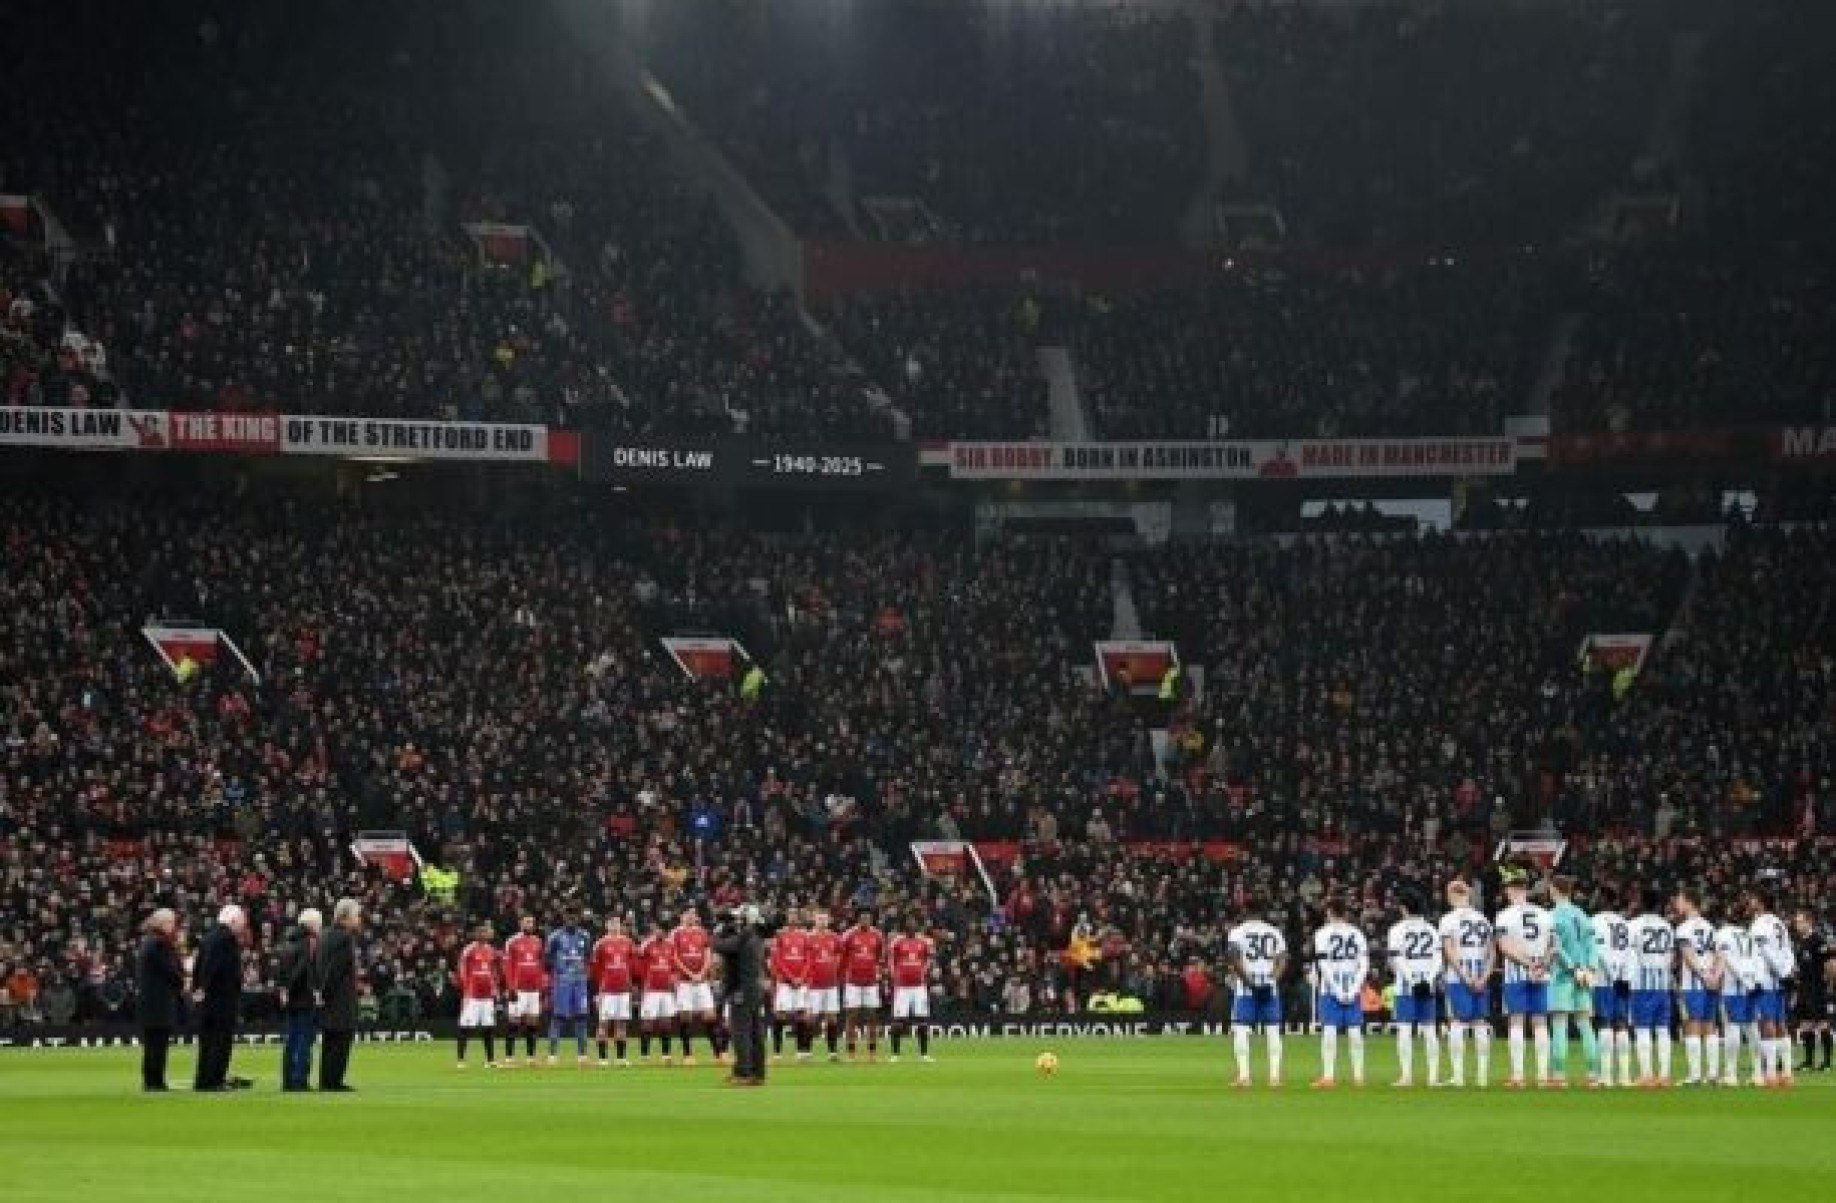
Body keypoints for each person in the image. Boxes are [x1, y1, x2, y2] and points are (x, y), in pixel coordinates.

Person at [1493, 867, 1553, 1088]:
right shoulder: (1545, 914)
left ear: (1513, 889)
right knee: (1540, 1022)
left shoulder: (1504, 915)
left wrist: (1527, 964)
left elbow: (1503, 946)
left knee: (1516, 1021)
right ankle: (1542, 1076)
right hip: (1541, 972)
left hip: (1516, 973)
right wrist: (1541, 964)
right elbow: (1554, 945)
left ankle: (1518, 1076)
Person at [1438, 879, 1495, 1088]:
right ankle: (1482, 1077)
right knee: (1480, 1024)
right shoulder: (1483, 920)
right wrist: (1484, 976)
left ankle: (1458, 1076)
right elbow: (1492, 952)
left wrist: (1464, 975)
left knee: (1457, 1023)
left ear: (1452, 895)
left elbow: (1449, 950)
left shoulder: (1448, 920)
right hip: (1480, 974)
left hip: (1458, 977)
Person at [1545, 876, 1599, 1088]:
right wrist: (1589, 969)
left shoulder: (1553, 916)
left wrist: (1573, 968)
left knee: (1559, 1024)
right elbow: (1592, 945)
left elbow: (1557, 948)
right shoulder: (1582, 914)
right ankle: (1593, 1075)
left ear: (1554, 890)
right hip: (1585, 976)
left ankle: (1558, 1075)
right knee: (1585, 1025)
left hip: (1563, 976)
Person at [1225, 907, 1288, 1088]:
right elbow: (1282, 960)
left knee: (1241, 1029)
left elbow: (1234, 959)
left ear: (1245, 913)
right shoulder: (1274, 931)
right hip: (1269, 986)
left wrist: (1246, 981)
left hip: (1246, 987)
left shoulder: (1237, 932)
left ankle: (1244, 1076)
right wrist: (1272, 980)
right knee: (1273, 1030)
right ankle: (1275, 1077)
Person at [1311, 893, 1368, 1089]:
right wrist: (1353, 989)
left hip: (1330, 988)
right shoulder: (1357, 933)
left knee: (1329, 1029)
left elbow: (1323, 965)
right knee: (1354, 1031)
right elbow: (1364, 965)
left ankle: (1328, 1076)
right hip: (1352, 986)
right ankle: (1358, 1076)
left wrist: (1335, 989)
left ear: (1329, 912)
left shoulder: (1321, 934)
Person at [1385, 892, 1442, 1089]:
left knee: (1404, 1029)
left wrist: (1412, 980)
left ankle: (1406, 1076)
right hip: (1428, 985)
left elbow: (1397, 959)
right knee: (1429, 1030)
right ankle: (1433, 1077)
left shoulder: (1397, 930)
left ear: (1404, 908)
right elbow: (1438, 959)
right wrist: (1427, 979)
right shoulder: (1432, 930)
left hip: (1405, 987)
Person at [713, 905, 774, 1085]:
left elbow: (720, 946)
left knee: (741, 1034)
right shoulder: (757, 936)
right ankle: (758, 1073)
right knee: (755, 1033)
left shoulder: (745, 936)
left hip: (742, 991)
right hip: (755, 991)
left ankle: (743, 1072)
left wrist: (717, 931)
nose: (737, 920)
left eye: (740, 918)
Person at [192, 904, 248, 1092]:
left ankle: (203, 1079)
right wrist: (206, 987)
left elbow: (199, 966)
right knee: (220, 1041)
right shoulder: (226, 938)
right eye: (241, 922)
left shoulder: (208, 937)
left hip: (209, 1000)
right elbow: (214, 967)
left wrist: (199, 988)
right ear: (232, 920)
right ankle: (215, 1080)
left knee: (207, 1042)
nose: (243, 926)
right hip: (222, 998)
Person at [1626, 886, 1675, 1087]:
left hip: (1641, 984)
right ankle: (1664, 1075)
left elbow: (1629, 954)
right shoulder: (1667, 926)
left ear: (1641, 902)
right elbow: (1671, 956)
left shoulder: (1634, 925)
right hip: (1663, 983)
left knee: (1643, 1029)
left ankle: (1646, 1075)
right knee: (1663, 1029)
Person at [1746, 889, 1796, 1088]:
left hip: (1766, 979)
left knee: (1767, 1023)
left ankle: (1771, 1074)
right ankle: (1787, 1073)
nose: (1750, 902)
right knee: (1780, 1022)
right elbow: (1788, 951)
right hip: (1779, 979)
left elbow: (1766, 953)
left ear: (1760, 902)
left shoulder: (1759, 925)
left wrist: (1779, 972)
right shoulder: (1779, 923)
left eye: (1753, 899)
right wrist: (1787, 971)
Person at [1672, 888, 1719, 1086]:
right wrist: (1714, 976)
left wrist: (1702, 975)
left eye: (1680, 900)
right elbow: (1718, 954)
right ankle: (1713, 1074)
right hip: (1711, 981)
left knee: (1692, 1024)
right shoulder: (1710, 927)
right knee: (1710, 1026)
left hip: (1695, 983)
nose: (1677, 904)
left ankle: (1695, 1075)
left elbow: (1689, 956)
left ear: (1690, 902)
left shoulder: (1683, 928)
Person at [134, 908, 184, 1092]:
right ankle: (155, 1081)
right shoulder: (159, 944)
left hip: (150, 1002)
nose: (174, 926)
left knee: (153, 1044)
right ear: (163, 923)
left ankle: (152, 1080)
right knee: (158, 1044)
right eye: (171, 922)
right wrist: (181, 978)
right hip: (158, 1002)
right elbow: (170, 971)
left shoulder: (149, 942)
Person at [1589, 884, 1635, 1087]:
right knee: (1622, 1024)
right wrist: (1624, 975)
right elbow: (1630, 953)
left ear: (1602, 899)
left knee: (1604, 1023)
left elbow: (1598, 951)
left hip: (1603, 978)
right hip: (1623, 978)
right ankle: (1624, 1077)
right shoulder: (1625, 923)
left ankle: (1606, 1077)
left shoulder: (1595, 922)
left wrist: (1607, 973)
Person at [1713, 909, 1763, 1086]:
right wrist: (1754, 980)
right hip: (1750, 985)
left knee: (1732, 1027)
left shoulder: (1722, 934)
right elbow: (1758, 959)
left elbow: (1727, 960)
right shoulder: (1748, 934)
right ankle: (1758, 1074)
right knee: (1752, 1027)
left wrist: (1741, 977)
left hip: (1733, 986)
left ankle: (1731, 1074)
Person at [277, 908, 324, 1092]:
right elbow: (303, 970)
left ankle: (288, 1080)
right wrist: (314, 991)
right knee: (305, 1040)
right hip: (304, 998)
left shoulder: (288, 940)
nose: (321, 926)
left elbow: (282, 970)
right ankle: (299, 1080)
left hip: (291, 999)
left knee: (291, 1039)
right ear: (312, 924)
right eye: (319, 923)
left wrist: (284, 989)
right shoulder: (310, 943)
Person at [319, 897, 362, 1092]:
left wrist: (322, 993)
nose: (359, 919)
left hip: (329, 998)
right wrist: (327, 992)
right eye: (357, 915)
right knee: (341, 1040)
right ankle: (333, 1082)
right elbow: (336, 971)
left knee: (329, 1041)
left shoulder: (325, 935)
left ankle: (326, 1080)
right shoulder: (344, 938)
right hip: (340, 999)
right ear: (345, 917)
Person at [669, 909, 720, 1065]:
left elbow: (708, 954)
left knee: (710, 1015)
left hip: (702, 981)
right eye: (687, 914)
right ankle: (687, 1055)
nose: (691, 917)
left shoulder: (702, 933)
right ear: (682, 916)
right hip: (685, 982)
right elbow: (674, 956)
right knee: (686, 1017)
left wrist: (703, 973)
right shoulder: (675, 933)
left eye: (693, 914)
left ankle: (718, 1054)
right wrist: (690, 974)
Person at [545, 904, 593, 1067]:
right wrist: (560, 968)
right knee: (557, 1018)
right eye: (568, 916)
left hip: (579, 983)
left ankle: (582, 1056)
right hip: (562, 982)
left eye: (574, 916)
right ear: (564, 917)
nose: (571, 919)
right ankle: (552, 1055)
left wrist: (579, 970)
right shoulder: (555, 937)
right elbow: (547, 958)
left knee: (581, 1017)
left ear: (578, 918)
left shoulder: (585, 936)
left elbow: (588, 956)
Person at [455, 921, 504, 1070]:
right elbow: (462, 969)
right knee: (466, 1027)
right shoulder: (468, 950)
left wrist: (496, 990)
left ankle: (490, 1061)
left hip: (487, 997)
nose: (483, 934)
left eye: (485, 932)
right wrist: (466, 988)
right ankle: (461, 1060)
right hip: (472, 996)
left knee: (488, 1028)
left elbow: (494, 972)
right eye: (480, 932)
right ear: (476, 934)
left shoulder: (491, 950)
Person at [886, 916, 935, 1063]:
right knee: (898, 1022)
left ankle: (924, 1054)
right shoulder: (897, 942)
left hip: (919, 987)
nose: (911, 925)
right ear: (904, 926)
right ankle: (895, 1054)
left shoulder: (924, 942)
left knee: (922, 1020)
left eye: (913, 923)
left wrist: (924, 971)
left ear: (917, 925)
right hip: (902, 988)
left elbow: (929, 958)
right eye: (909, 923)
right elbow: (890, 960)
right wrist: (895, 975)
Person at [590, 915, 637, 1067]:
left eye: (617, 923)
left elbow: (631, 965)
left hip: (623, 990)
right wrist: (598, 992)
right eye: (612, 923)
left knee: (621, 1023)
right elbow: (595, 970)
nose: (615, 926)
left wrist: (631, 985)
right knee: (603, 1024)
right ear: (607, 925)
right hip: (607, 991)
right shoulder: (600, 944)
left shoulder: (628, 942)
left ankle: (621, 1058)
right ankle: (602, 1059)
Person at [840, 909, 886, 1061]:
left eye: (868, 918)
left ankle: (872, 1053)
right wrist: (844, 974)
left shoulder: (877, 936)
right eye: (863, 918)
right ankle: (851, 1053)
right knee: (851, 1016)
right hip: (853, 982)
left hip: (871, 982)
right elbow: (842, 956)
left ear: (871, 919)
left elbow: (880, 957)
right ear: (858, 919)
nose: (866, 920)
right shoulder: (849, 935)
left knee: (872, 1016)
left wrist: (878, 971)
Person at [767, 908, 812, 1061]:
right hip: (785, 983)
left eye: (795, 915)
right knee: (780, 1015)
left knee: (802, 1015)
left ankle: (800, 1051)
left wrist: (801, 977)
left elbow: (808, 959)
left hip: (801, 982)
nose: (793, 917)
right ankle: (777, 1052)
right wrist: (791, 977)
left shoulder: (804, 936)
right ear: (786, 917)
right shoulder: (780, 935)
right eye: (790, 914)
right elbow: (777, 959)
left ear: (798, 918)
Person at [1789, 910, 1831, 1073]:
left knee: (1822, 1023)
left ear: (1809, 922)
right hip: (1803, 989)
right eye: (1797, 922)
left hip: (1817, 988)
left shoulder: (1818, 940)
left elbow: (1829, 964)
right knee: (1805, 1024)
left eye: (1800, 921)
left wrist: (1827, 985)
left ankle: (1827, 1062)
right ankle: (1808, 1061)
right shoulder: (1801, 942)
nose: (1797, 925)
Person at [503, 915, 546, 1067]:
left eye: (532, 922)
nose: (530, 924)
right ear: (520, 923)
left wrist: (541, 986)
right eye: (527, 922)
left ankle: (531, 1057)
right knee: (513, 1022)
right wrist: (510, 987)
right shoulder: (512, 941)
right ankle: (509, 1058)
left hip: (533, 989)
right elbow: (507, 966)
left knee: (532, 1023)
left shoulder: (538, 941)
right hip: (518, 989)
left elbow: (541, 965)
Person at [637, 919, 679, 1064]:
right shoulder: (646, 945)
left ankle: (666, 1055)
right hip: (651, 991)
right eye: (657, 929)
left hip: (667, 991)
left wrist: (674, 980)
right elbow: (639, 965)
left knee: (666, 1022)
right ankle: (644, 1055)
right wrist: (643, 983)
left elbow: (674, 966)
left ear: (665, 932)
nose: (659, 932)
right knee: (647, 1022)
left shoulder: (671, 946)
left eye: (661, 930)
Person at [806, 911, 845, 1061]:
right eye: (819, 919)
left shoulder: (835, 937)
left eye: (824, 919)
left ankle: (832, 1052)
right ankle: (806, 1051)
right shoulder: (808, 938)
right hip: (813, 984)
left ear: (828, 920)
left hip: (831, 984)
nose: (822, 921)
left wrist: (835, 967)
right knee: (811, 1018)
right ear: (814, 920)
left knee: (832, 1018)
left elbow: (840, 954)